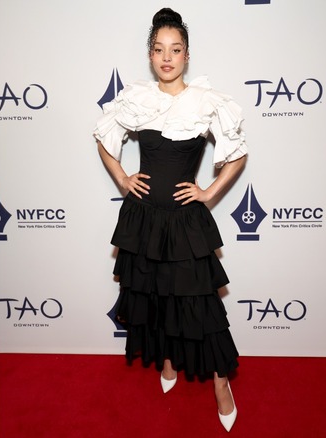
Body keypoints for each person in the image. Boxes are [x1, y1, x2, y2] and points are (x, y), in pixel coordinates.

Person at [94, 7, 246, 432]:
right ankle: (167, 360)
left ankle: (220, 385)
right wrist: (123, 177)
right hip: (143, 218)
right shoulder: (136, 98)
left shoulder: (205, 102)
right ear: (149, 54)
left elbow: (237, 154)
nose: (167, 57)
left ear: (187, 55)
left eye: (175, 50)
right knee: (155, 295)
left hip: (183, 221)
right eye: (159, 49)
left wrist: (209, 192)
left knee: (201, 303)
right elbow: (105, 138)